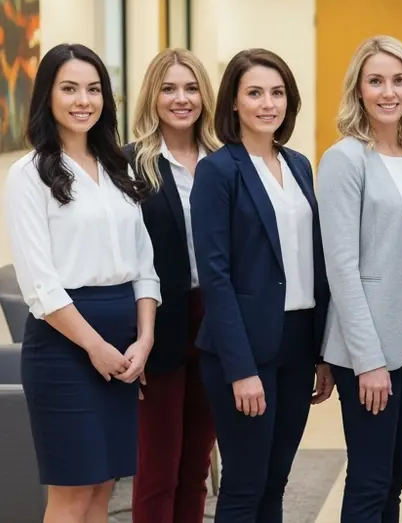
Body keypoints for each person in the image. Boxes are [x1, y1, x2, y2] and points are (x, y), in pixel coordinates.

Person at [3, 43, 160, 521]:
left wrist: (146, 338)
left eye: (93, 89)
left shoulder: (121, 167)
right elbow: (40, 285)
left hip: (124, 342)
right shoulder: (28, 175)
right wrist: (94, 346)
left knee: (102, 489)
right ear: (47, 96)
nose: (83, 100)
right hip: (64, 345)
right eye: (69, 88)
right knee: (72, 494)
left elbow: (144, 266)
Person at [189, 48, 334, 522]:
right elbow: (215, 275)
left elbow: (312, 260)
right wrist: (240, 369)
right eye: (254, 93)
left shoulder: (298, 165)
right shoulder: (218, 170)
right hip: (244, 349)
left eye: (277, 93)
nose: (268, 104)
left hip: (297, 341)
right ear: (233, 101)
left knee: (276, 483)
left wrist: (321, 353)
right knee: (244, 486)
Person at [317, 35, 402, 523]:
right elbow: (342, 268)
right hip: (369, 338)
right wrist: (368, 361)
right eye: (376, 81)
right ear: (359, 90)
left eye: (398, 80)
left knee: (396, 476)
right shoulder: (344, 159)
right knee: (371, 479)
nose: (388, 92)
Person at [125, 48, 221, 523]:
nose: (181, 99)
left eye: (190, 87)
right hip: (157, 321)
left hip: (214, 320)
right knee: (156, 467)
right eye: (168, 88)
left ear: (205, 94)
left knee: (196, 467)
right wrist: (133, 340)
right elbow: (123, 260)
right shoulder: (128, 166)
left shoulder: (226, 163)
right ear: (152, 96)